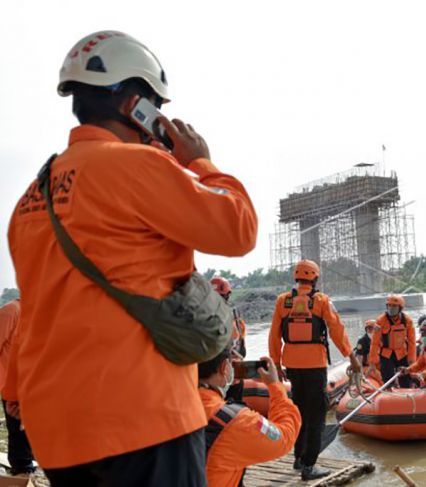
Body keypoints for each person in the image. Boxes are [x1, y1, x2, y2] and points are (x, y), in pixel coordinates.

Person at [5, 31, 257, 486]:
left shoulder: (29, 199)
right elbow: (239, 228)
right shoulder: (135, 166)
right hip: (143, 419)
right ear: (133, 105)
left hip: (60, 432)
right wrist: (200, 162)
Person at [268, 259, 362, 481]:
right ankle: (309, 466)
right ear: (315, 278)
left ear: (296, 277)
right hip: (315, 366)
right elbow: (337, 330)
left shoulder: (283, 301)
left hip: (292, 365)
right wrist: (351, 357)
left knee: (299, 412)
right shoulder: (321, 300)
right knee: (317, 415)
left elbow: (274, 334)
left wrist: (276, 362)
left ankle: (298, 459)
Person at [198, 351, 301, 487]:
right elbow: (285, 435)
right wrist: (275, 386)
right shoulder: (237, 421)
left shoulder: (166, 403)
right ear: (224, 367)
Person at [0, 300, 35, 476]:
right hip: (11, 383)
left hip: (31, 382)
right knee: (17, 430)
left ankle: (26, 466)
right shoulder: (11, 310)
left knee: (29, 428)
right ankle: (22, 469)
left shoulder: (36, 312)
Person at [211, 276, 247, 403]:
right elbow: (241, 342)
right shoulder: (235, 316)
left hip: (218, 376)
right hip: (234, 372)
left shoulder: (205, 318)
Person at [368, 295, 416, 388]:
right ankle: (389, 394)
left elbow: (412, 342)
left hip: (402, 353)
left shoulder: (407, 321)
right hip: (386, 354)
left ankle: (406, 394)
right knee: (387, 379)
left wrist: (411, 360)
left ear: (400, 308)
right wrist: (372, 363)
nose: (391, 308)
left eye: (394, 306)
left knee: (405, 380)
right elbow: (375, 343)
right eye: (389, 305)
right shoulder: (381, 320)